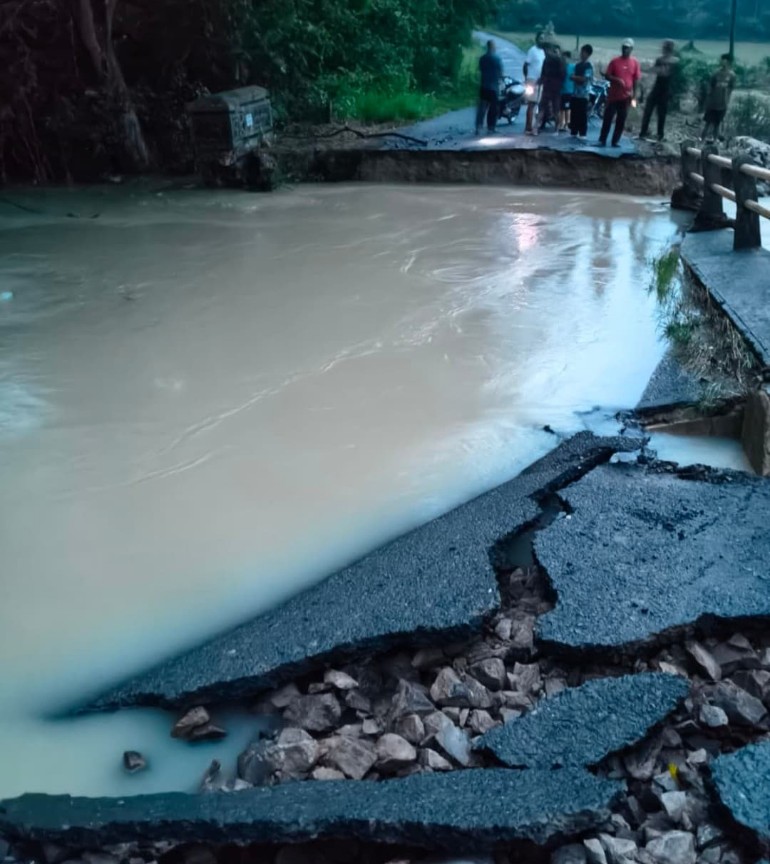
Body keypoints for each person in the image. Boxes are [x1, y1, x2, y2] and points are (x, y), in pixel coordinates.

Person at [598, 38, 641, 147]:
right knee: (608, 118)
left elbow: (636, 80)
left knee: (621, 120)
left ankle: (615, 141)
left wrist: (634, 96)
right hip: (613, 96)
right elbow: (607, 75)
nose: (624, 50)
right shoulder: (615, 61)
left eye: (627, 48)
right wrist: (617, 80)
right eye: (623, 47)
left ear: (631, 49)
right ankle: (602, 139)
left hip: (626, 97)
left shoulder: (634, 63)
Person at [639, 40, 679, 141]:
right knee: (648, 111)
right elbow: (656, 71)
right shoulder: (660, 60)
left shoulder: (674, 61)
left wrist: (647, 70)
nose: (663, 49)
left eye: (665, 48)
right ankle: (643, 133)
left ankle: (659, 135)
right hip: (657, 88)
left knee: (661, 114)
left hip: (666, 90)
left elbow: (664, 72)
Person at [702, 54, 737, 142]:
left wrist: (727, 100)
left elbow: (731, 88)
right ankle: (701, 139)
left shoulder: (732, 75)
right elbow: (710, 87)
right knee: (707, 122)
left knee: (717, 123)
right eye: (721, 60)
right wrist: (708, 100)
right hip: (712, 102)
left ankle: (714, 141)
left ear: (728, 62)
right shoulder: (716, 73)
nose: (721, 62)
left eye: (723, 60)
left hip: (723, 104)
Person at [476, 40, 504, 135]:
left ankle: (479, 126)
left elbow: (480, 69)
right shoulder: (497, 59)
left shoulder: (482, 58)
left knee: (482, 107)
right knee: (493, 108)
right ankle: (491, 127)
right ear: (492, 47)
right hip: (493, 87)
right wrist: (501, 80)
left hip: (484, 85)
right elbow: (501, 73)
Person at [523, 31, 546, 135]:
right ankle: (528, 126)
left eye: (543, 38)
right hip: (532, 80)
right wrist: (527, 78)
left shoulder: (543, 52)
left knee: (539, 104)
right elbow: (525, 65)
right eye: (540, 38)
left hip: (541, 81)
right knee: (531, 104)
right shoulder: (532, 50)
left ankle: (536, 126)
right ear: (537, 39)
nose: (542, 40)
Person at [539, 44, 565, 132]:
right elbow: (563, 74)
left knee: (543, 107)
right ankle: (556, 128)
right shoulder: (560, 60)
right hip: (555, 86)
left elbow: (543, 73)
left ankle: (537, 126)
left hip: (548, 85)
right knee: (555, 108)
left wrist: (541, 80)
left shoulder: (547, 60)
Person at [570, 44, 594, 139]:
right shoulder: (578, 65)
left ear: (587, 54)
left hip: (583, 94)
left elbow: (584, 79)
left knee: (582, 114)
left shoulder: (589, 66)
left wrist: (574, 77)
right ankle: (574, 131)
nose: (581, 54)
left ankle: (582, 133)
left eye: (583, 52)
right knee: (574, 113)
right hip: (575, 93)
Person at [559, 50, 575, 133]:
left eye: (565, 58)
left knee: (567, 108)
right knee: (561, 108)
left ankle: (566, 124)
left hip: (569, 91)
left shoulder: (572, 67)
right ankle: (561, 123)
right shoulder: (561, 67)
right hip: (561, 91)